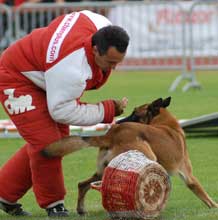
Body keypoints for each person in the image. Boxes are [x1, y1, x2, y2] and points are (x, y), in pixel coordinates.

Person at [0, 10, 129, 217]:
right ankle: (54, 204)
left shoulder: (101, 26)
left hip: (45, 74)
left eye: (118, 62)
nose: (114, 68)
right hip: (16, 77)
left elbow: (80, 15)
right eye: (111, 63)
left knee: (53, 139)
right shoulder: (72, 68)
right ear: (95, 50)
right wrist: (106, 110)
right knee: (49, 143)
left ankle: (4, 193)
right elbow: (61, 111)